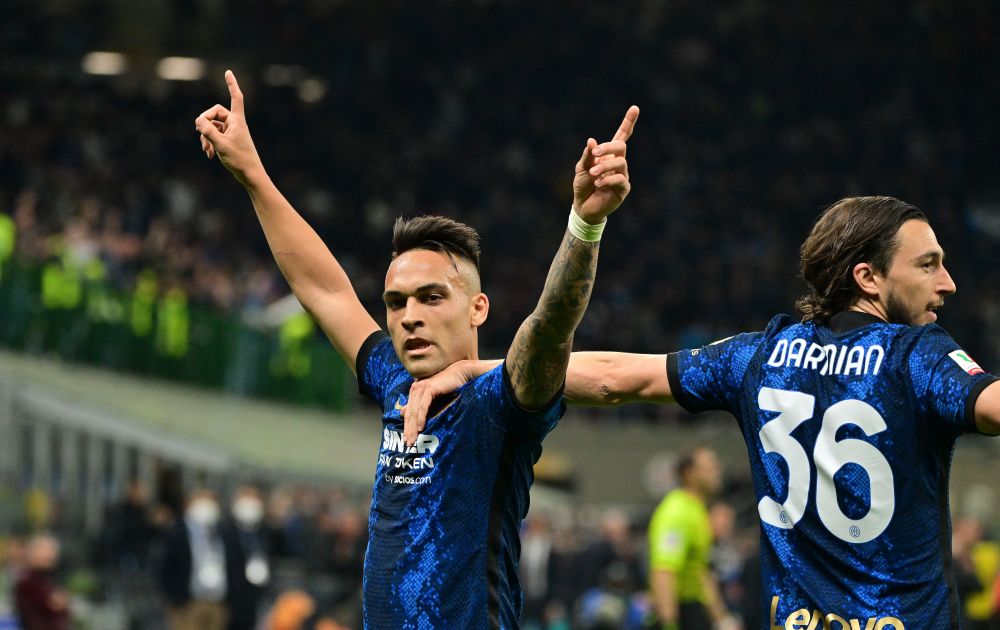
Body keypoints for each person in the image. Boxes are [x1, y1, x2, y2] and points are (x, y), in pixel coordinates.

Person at [406, 196, 1000, 628]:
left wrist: (475, 369)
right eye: (928, 264)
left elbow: (616, 377)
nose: (947, 283)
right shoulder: (916, 355)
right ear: (867, 277)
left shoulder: (761, 355)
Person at [194, 70, 639, 628]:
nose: (409, 316)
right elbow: (324, 289)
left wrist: (586, 223)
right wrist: (252, 174)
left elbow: (549, 328)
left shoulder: (501, 399)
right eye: (396, 301)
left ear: (478, 308)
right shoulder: (392, 379)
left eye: (431, 297)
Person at [646, 448, 738, 630]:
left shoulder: (697, 510)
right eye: (710, 467)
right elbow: (664, 572)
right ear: (689, 474)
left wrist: (723, 620)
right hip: (679, 612)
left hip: (694, 611)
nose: (717, 471)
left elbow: (701, 572)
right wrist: (669, 624)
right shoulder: (677, 513)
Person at [13, 533, 70, 630]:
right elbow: (54, 605)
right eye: (46, 549)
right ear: (33, 553)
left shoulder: (47, 579)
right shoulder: (28, 581)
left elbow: (62, 606)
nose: (52, 554)